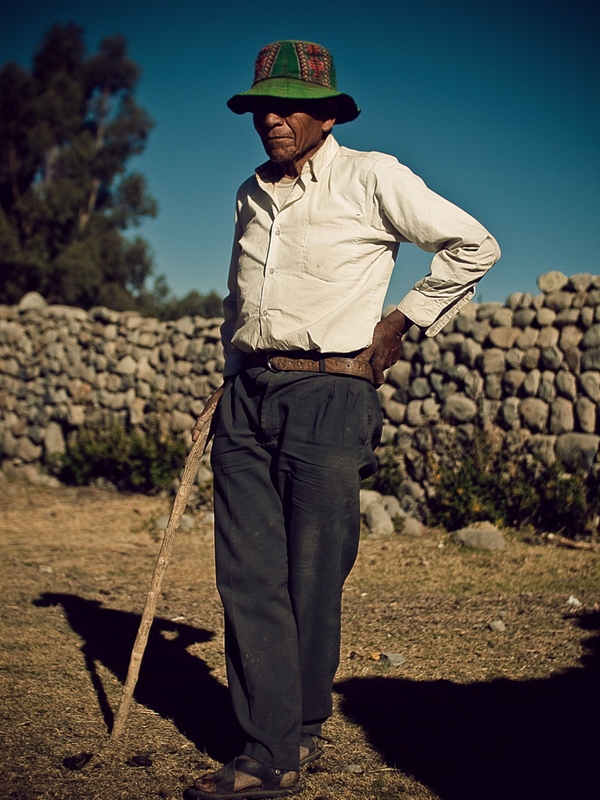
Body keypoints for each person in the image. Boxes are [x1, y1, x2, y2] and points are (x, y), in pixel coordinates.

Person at [186, 40, 500, 799]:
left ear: (327, 115)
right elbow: (241, 299)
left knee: (312, 577)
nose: (271, 118)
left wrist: (403, 321)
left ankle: (299, 732)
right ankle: (271, 748)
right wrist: (232, 372)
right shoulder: (249, 193)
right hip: (250, 394)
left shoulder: (372, 176)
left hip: (332, 394)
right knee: (247, 576)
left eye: (290, 105)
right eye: (261, 105)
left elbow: (475, 244)